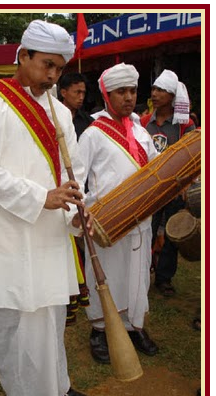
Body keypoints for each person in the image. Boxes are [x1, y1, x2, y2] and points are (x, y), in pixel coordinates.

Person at [0, 20, 94, 396]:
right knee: (12, 319)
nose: (52, 75)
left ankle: (57, 386)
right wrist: (40, 197)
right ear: (23, 56)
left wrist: (71, 208)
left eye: (58, 68)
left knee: (50, 314)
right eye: (46, 65)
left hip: (50, 232)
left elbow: (76, 170)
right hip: (6, 230)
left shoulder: (60, 111)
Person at [78, 63, 159, 364]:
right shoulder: (93, 133)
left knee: (137, 271)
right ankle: (100, 328)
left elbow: (156, 167)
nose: (128, 97)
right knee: (107, 274)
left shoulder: (141, 131)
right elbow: (76, 176)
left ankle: (132, 325)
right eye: (120, 92)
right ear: (106, 94)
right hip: (107, 221)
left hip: (141, 219)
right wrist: (87, 211)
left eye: (132, 91)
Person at [140, 70, 196, 296]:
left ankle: (164, 279)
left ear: (172, 96)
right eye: (154, 89)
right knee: (147, 232)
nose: (154, 94)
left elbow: (193, 156)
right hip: (150, 188)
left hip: (175, 187)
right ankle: (142, 275)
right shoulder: (144, 121)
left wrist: (185, 184)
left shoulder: (185, 124)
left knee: (172, 235)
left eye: (161, 90)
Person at [58, 72, 94, 325]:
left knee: (80, 250)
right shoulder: (50, 118)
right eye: (76, 92)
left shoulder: (88, 123)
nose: (81, 97)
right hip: (56, 193)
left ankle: (78, 293)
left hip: (80, 192)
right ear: (63, 92)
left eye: (84, 93)